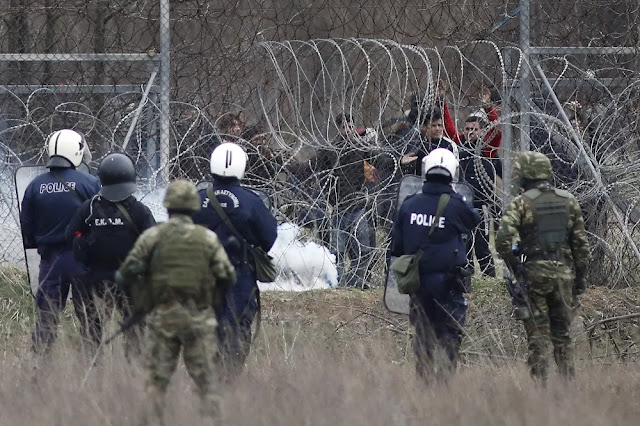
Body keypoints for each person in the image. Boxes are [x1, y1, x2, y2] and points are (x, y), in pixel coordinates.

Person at [115, 179, 236, 424]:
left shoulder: (153, 237)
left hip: (163, 319)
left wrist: (144, 293)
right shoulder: (207, 239)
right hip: (199, 320)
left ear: (167, 205)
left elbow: (125, 273)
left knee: (156, 383)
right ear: (194, 207)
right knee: (207, 384)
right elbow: (227, 276)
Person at [495, 151, 589, 383]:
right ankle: (567, 386)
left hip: (535, 274)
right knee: (562, 334)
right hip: (563, 274)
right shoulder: (568, 200)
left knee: (538, 335)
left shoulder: (522, 203)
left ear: (525, 175)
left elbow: (502, 240)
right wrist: (580, 279)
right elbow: (581, 245)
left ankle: (541, 388)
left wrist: (516, 267)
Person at [390, 148, 480, 382]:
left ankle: (424, 381)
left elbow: (397, 247)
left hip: (418, 282)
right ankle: (445, 382)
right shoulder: (455, 204)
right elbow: (473, 219)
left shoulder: (409, 204)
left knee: (423, 332)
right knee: (450, 332)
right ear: (453, 173)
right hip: (448, 283)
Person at [192, 142, 278, 379]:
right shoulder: (251, 201)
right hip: (239, 276)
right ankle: (228, 381)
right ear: (241, 167)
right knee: (237, 330)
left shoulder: (195, 199)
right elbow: (268, 238)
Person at [66, 152, 156, 357]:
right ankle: (133, 370)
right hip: (130, 280)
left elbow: (70, 235)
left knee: (92, 330)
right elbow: (152, 242)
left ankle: (92, 369)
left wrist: (86, 240)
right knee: (135, 330)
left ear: (102, 180)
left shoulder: (89, 207)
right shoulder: (139, 210)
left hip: (94, 279)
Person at [20, 129, 102, 355]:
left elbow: (27, 228)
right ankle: (94, 364)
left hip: (49, 262)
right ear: (76, 151)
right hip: (81, 260)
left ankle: (40, 367)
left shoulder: (35, 186)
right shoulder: (90, 183)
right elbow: (99, 221)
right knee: (88, 314)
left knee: (46, 318)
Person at [310, 113, 379, 288]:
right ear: (338, 129)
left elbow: (380, 159)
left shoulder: (362, 147)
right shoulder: (330, 150)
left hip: (358, 207)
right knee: (337, 253)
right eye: (343, 127)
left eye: (350, 126)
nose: (347, 130)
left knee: (362, 251)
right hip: (339, 209)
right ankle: (337, 283)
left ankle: (356, 282)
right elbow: (312, 166)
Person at [400, 108, 459, 176]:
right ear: (424, 127)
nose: (437, 129)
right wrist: (403, 164)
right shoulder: (417, 144)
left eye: (439, 125)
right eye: (433, 126)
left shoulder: (450, 145)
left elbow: (456, 168)